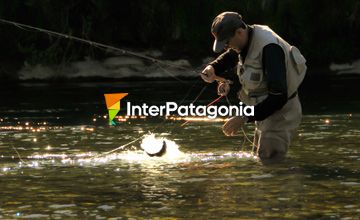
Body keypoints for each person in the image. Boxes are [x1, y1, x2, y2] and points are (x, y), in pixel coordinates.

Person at [201, 11, 307, 161]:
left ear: (239, 32)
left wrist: (244, 117)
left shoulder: (270, 49)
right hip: (263, 112)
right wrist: (213, 68)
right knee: (261, 161)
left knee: (271, 164)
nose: (226, 47)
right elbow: (233, 54)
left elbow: (278, 97)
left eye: (226, 42)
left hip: (281, 113)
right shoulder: (246, 38)